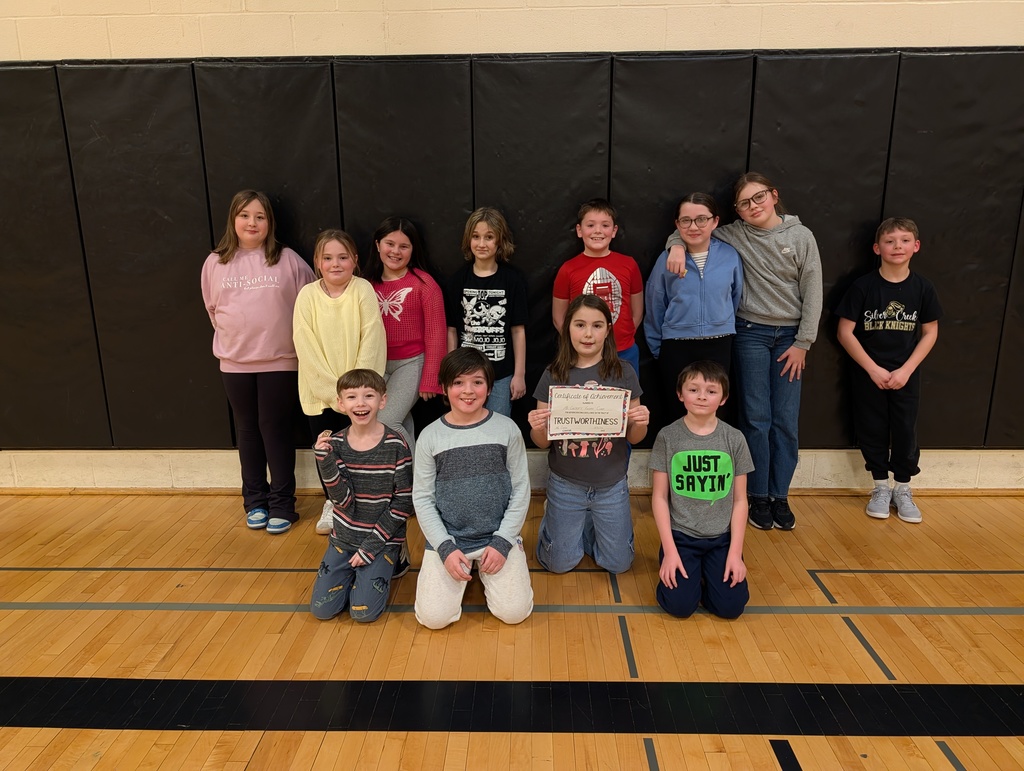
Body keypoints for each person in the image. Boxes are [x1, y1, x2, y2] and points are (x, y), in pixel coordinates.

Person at [666, 172, 822, 531]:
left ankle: (780, 495)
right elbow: (694, 229)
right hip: (750, 333)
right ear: (735, 211)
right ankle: (757, 496)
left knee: (784, 420)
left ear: (774, 195)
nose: (753, 206)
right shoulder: (733, 233)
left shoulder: (800, 236)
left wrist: (803, 343)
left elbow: (814, 291)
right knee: (756, 418)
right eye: (744, 202)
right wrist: (675, 243)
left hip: (790, 340)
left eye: (759, 197)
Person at [201, 190, 314, 535]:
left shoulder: (288, 260)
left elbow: (310, 301)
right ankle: (255, 502)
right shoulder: (215, 262)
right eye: (245, 215)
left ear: (270, 223)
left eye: (260, 216)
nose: (252, 222)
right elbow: (212, 309)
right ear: (233, 220)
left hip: (280, 361)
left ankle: (282, 504)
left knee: (275, 429)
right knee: (247, 431)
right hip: (234, 363)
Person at [528, 294, 650, 574]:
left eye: (597, 326)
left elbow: (634, 438)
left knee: (619, 564)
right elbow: (543, 442)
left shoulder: (625, 372)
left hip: (611, 485)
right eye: (580, 324)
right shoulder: (553, 374)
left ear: (608, 330)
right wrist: (538, 427)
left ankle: (587, 522)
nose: (587, 334)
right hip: (565, 483)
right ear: (567, 327)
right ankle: (557, 516)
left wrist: (640, 421)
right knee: (558, 564)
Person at [413, 348, 534, 629]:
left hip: (497, 537)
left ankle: (502, 556)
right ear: (444, 388)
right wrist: (444, 546)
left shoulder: (507, 429)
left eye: (477, 382)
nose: (468, 390)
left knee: (514, 613)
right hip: (450, 540)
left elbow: (520, 489)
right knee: (433, 619)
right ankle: (462, 564)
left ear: (489, 388)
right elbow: (422, 498)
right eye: (458, 382)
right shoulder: (430, 436)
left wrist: (503, 540)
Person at [836, 217, 941, 523]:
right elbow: (845, 332)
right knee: (872, 429)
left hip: (905, 374)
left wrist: (907, 370)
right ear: (877, 247)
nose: (897, 246)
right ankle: (881, 487)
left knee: (906, 431)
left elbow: (931, 332)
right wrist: (872, 369)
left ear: (916, 246)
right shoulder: (863, 286)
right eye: (890, 241)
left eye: (905, 240)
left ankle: (904, 489)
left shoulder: (922, 288)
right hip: (870, 374)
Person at [293, 229, 387, 535]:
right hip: (321, 396)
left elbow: (371, 338)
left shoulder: (362, 290)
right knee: (328, 449)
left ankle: (365, 506)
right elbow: (305, 346)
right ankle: (334, 504)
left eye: (343, 257)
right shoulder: (307, 296)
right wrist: (333, 393)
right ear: (317, 262)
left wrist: (356, 394)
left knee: (360, 450)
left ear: (355, 261)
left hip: (357, 395)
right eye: (328, 257)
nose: (336, 264)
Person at [649, 361, 753, 619]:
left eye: (711, 391)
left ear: (724, 398)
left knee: (730, 608)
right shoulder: (667, 436)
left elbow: (741, 500)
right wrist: (670, 551)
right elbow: (660, 497)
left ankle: (707, 577)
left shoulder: (735, 439)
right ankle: (692, 577)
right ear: (680, 394)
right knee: (680, 607)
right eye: (693, 389)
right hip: (682, 537)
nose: (702, 396)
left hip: (721, 539)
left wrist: (735, 554)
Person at [309, 369, 412, 623]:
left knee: (363, 613)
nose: (361, 403)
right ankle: (356, 572)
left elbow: (403, 503)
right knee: (322, 609)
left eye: (369, 395)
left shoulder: (396, 445)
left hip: (381, 538)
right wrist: (325, 460)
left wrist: (370, 548)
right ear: (341, 404)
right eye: (352, 397)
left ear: (383, 401)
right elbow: (342, 502)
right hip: (344, 538)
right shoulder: (336, 444)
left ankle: (395, 558)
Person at [645, 192, 743, 422]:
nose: (694, 226)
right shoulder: (666, 260)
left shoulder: (730, 256)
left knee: (714, 413)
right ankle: (676, 458)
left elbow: (736, 296)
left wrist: (722, 322)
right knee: (678, 413)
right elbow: (655, 305)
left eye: (701, 219)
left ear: (715, 221)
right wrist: (660, 349)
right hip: (676, 346)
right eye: (686, 221)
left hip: (719, 343)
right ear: (677, 224)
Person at [364, 216, 447, 456]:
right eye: (390, 244)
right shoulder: (365, 284)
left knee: (386, 422)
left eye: (404, 246)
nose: (395, 251)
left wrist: (432, 376)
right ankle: (405, 486)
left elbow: (436, 332)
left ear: (413, 250)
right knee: (401, 422)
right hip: (376, 365)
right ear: (378, 244)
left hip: (411, 363)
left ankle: (417, 476)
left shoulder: (424, 284)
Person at [446, 207, 528, 417]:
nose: (482, 244)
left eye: (489, 237)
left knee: (498, 428)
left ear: (500, 241)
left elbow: (518, 331)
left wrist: (519, 375)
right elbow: (452, 331)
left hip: (501, 375)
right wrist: (450, 374)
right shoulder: (458, 280)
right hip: (465, 375)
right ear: (468, 239)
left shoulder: (512, 280)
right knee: (465, 426)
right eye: (476, 237)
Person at [552, 199, 644, 376]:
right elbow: (559, 317)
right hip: (581, 354)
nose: (598, 231)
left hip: (623, 351)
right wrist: (582, 343)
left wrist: (622, 337)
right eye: (590, 225)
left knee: (627, 402)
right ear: (579, 230)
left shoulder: (629, 265)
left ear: (614, 230)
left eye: (605, 225)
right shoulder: (568, 269)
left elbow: (637, 312)